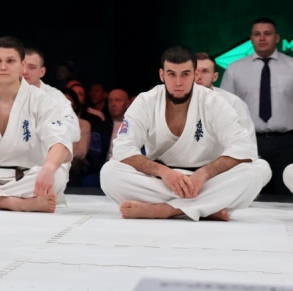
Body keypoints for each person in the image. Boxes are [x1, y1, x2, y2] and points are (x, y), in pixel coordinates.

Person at [101, 46, 263, 221]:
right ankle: (204, 207)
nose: (178, 82)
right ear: (162, 75)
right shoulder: (146, 101)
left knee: (252, 175)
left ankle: (166, 210)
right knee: (109, 173)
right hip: (162, 181)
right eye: (171, 74)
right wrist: (163, 172)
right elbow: (122, 148)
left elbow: (244, 146)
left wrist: (204, 173)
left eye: (185, 74)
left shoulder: (213, 101)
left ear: (195, 75)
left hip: (205, 182)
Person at [0, 37, 72, 213]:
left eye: (10, 61)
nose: (3, 67)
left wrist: (48, 169)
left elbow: (59, 141)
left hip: (26, 177)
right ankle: (15, 203)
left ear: (22, 65)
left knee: (57, 175)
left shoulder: (41, 100)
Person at [220, 18, 293, 195]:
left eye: (267, 34)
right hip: (249, 142)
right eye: (257, 34)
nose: (262, 38)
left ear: (277, 37)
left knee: (287, 195)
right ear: (251, 38)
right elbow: (225, 109)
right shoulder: (234, 69)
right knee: (251, 196)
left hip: (287, 143)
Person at [196, 52, 271, 188]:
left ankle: (220, 193)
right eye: (194, 71)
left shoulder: (233, 102)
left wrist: (212, 169)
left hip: (222, 169)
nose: (199, 76)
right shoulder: (173, 100)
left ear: (215, 76)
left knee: (262, 168)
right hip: (184, 169)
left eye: (205, 71)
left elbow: (248, 148)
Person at [20, 47, 81, 144]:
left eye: (32, 67)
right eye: (21, 66)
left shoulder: (55, 96)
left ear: (42, 72)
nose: (24, 71)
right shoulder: (2, 92)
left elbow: (73, 130)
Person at [106, 89, 130, 159]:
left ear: (127, 103)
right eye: (110, 101)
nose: (113, 104)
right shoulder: (101, 127)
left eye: (118, 100)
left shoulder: (137, 127)